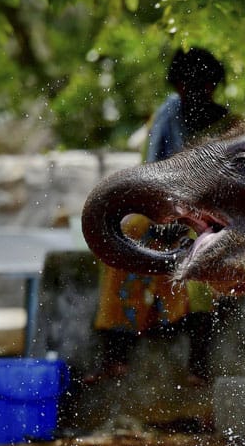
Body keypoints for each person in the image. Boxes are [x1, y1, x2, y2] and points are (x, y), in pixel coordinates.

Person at [85, 47, 237, 387]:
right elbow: (149, 175)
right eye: (187, 84)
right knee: (126, 240)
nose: (195, 91)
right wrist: (164, 218)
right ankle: (116, 355)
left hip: (213, 219)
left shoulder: (233, 127)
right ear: (177, 86)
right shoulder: (164, 118)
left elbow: (232, 191)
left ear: (214, 85)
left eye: (203, 84)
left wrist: (196, 219)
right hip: (164, 211)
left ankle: (198, 363)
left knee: (202, 252)